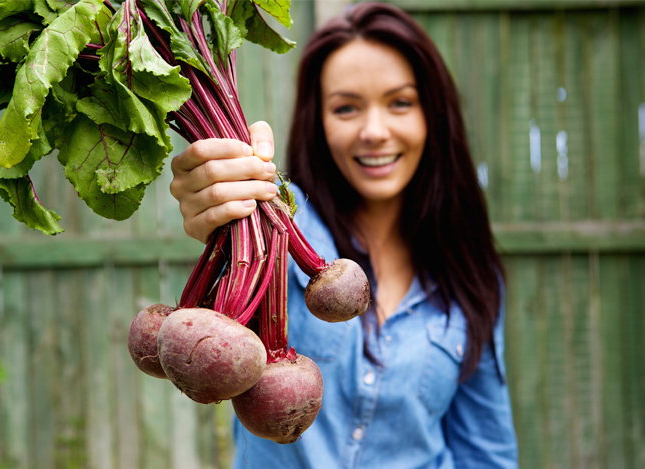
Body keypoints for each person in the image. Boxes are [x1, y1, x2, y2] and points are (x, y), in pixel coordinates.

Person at [170, 3, 518, 468]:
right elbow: (229, 203)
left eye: (400, 102)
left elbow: (486, 451)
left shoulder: (470, 274)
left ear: (433, 115)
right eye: (347, 107)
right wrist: (217, 196)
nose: (374, 131)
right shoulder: (272, 219)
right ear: (319, 122)